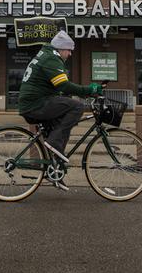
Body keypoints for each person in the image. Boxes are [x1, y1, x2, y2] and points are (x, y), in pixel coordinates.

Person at [17, 30, 102, 189]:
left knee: (64, 117)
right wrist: (88, 90)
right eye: (69, 50)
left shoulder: (46, 55)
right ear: (61, 48)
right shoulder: (51, 58)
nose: (70, 54)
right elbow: (63, 85)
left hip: (35, 102)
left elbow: (58, 87)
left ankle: (55, 171)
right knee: (77, 107)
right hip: (36, 104)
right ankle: (53, 142)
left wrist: (82, 92)